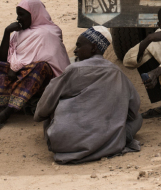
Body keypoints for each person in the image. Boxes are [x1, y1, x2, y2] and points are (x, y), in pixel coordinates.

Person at [0, 0, 70, 133]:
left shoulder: (50, 32)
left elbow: (48, 57)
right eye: (17, 14)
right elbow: (2, 59)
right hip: (17, 72)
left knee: (40, 67)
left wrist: (16, 68)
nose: (19, 18)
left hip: (37, 77)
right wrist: (7, 33)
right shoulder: (18, 33)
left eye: (22, 15)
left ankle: (6, 113)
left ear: (34, 14)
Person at [35, 28, 142, 163]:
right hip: (105, 141)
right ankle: (105, 143)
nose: (75, 50)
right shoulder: (117, 73)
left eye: (79, 46)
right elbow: (133, 111)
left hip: (63, 143)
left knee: (51, 112)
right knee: (138, 118)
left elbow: (42, 110)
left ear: (93, 47)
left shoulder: (73, 70)